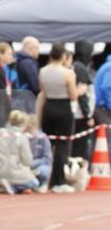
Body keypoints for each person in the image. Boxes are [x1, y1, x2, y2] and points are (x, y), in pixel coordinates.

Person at [37, 41, 78, 193]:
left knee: (48, 145)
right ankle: (58, 181)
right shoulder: (68, 73)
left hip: (49, 106)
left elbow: (43, 91)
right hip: (63, 107)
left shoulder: (43, 71)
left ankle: (44, 180)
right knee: (62, 145)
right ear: (63, 56)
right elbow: (73, 94)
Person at [0, 110, 40, 194]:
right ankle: (13, 186)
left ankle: (7, 185)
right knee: (35, 183)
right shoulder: (22, 137)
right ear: (23, 124)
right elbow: (27, 161)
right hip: (13, 171)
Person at [25, 113, 53, 191]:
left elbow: (47, 158)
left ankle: (42, 183)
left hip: (38, 165)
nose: (29, 133)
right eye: (27, 130)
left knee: (43, 171)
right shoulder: (22, 137)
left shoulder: (43, 138)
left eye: (31, 129)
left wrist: (34, 163)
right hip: (25, 165)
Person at [14, 36, 41, 112]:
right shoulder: (28, 63)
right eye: (37, 48)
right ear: (31, 48)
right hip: (28, 101)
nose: (39, 51)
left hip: (18, 98)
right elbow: (35, 85)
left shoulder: (17, 59)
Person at [0, 42, 15, 132]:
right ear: (0, 54)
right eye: (9, 54)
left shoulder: (1, 69)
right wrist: (8, 109)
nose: (11, 57)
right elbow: (1, 93)